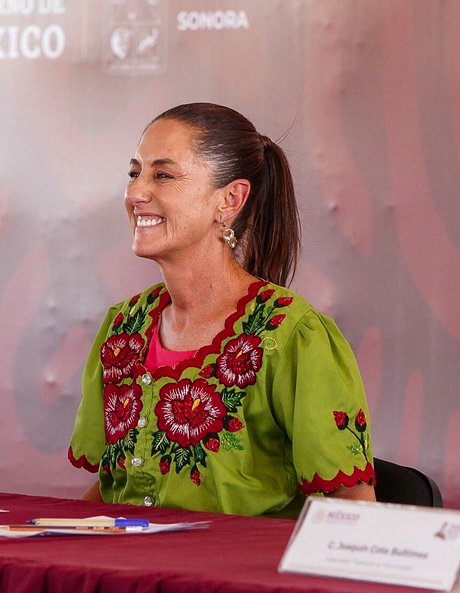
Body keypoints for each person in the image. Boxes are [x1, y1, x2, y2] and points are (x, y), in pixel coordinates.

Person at [68, 103, 376, 517]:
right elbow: (110, 490)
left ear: (230, 199)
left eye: (163, 174)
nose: (135, 193)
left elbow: (352, 504)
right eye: (134, 172)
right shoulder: (125, 326)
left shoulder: (290, 333)